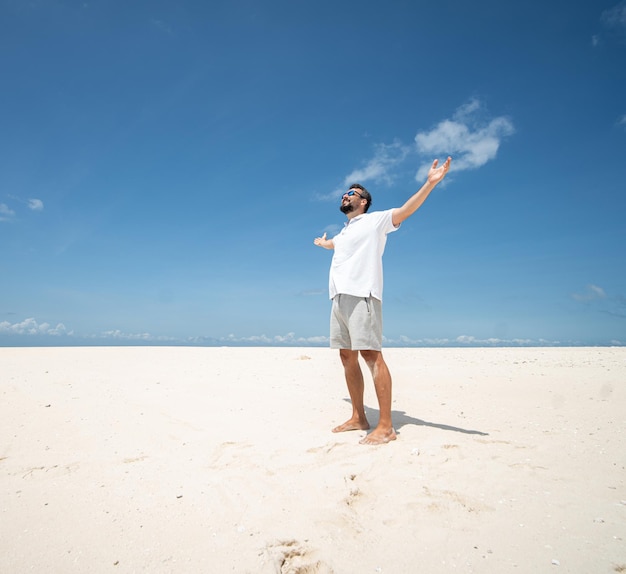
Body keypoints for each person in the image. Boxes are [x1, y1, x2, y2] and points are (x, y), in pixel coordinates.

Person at [313, 157, 452, 445]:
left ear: (363, 202)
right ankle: (358, 417)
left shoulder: (375, 221)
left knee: (371, 355)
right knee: (346, 356)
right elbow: (333, 245)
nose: (345, 196)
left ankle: (386, 426)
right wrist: (322, 243)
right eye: (344, 194)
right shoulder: (344, 232)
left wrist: (429, 183)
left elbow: (405, 210)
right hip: (338, 298)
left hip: (363, 295)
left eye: (351, 193)